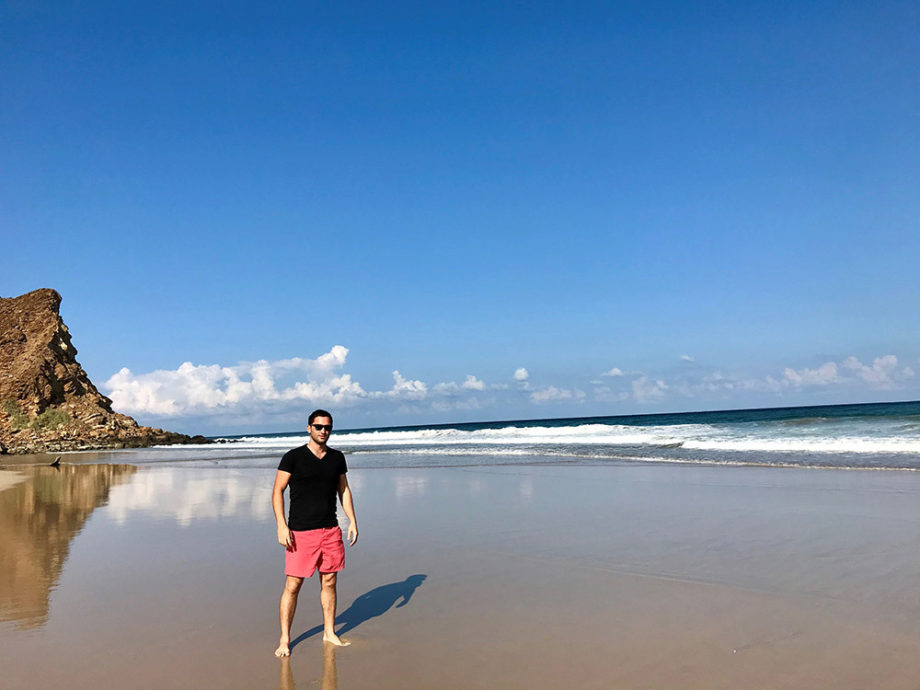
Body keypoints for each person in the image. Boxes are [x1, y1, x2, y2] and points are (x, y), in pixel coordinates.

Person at [273, 409, 358, 656]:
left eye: (327, 427)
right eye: (319, 426)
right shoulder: (293, 457)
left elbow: (344, 490)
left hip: (330, 530)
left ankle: (329, 632)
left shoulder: (337, 458)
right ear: (309, 428)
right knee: (293, 585)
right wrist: (281, 525)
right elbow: (277, 491)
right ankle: (285, 639)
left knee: (330, 581)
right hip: (300, 532)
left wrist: (352, 520)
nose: (323, 431)